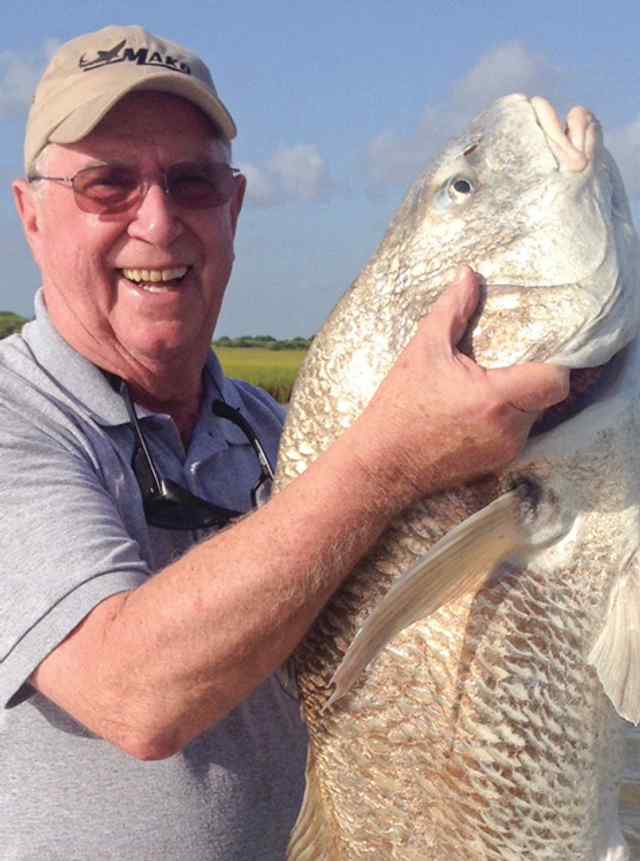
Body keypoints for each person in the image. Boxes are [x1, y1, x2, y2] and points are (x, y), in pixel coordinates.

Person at [0, 24, 568, 861]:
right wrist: (388, 456)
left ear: (232, 209)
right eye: (107, 184)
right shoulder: (18, 416)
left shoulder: (279, 436)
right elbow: (134, 694)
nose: (157, 221)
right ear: (31, 215)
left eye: (192, 182)